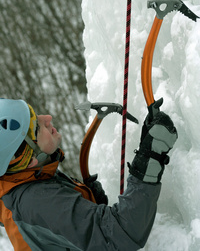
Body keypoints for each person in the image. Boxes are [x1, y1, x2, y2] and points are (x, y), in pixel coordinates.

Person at [0, 98, 178, 251]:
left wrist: (88, 202)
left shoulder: (17, 182)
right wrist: (150, 159)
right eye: (37, 127)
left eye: (36, 115)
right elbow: (120, 237)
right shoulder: (37, 201)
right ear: (28, 157)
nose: (47, 118)